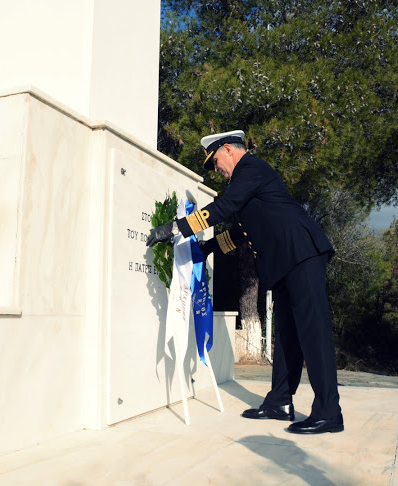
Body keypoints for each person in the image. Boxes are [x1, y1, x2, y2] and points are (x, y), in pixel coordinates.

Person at [146, 130, 343, 434]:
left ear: (227, 149)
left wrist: (175, 228)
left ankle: (329, 412)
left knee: (313, 333)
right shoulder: (247, 182)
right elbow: (239, 233)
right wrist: (206, 248)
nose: (215, 170)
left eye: (214, 162)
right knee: (288, 335)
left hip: (301, 254)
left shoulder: (251, 168)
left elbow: (224, 208)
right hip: (286, 262)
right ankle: (279, 401)